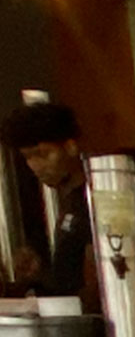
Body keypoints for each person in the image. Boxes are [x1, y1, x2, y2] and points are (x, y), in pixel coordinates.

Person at [2, 100, 94, 304]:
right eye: (28, 158)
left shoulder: (94, 199)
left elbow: (93, 287)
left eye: (43, 154)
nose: (35, 166)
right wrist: (39, 273)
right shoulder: (67, 202)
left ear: (70, 147)